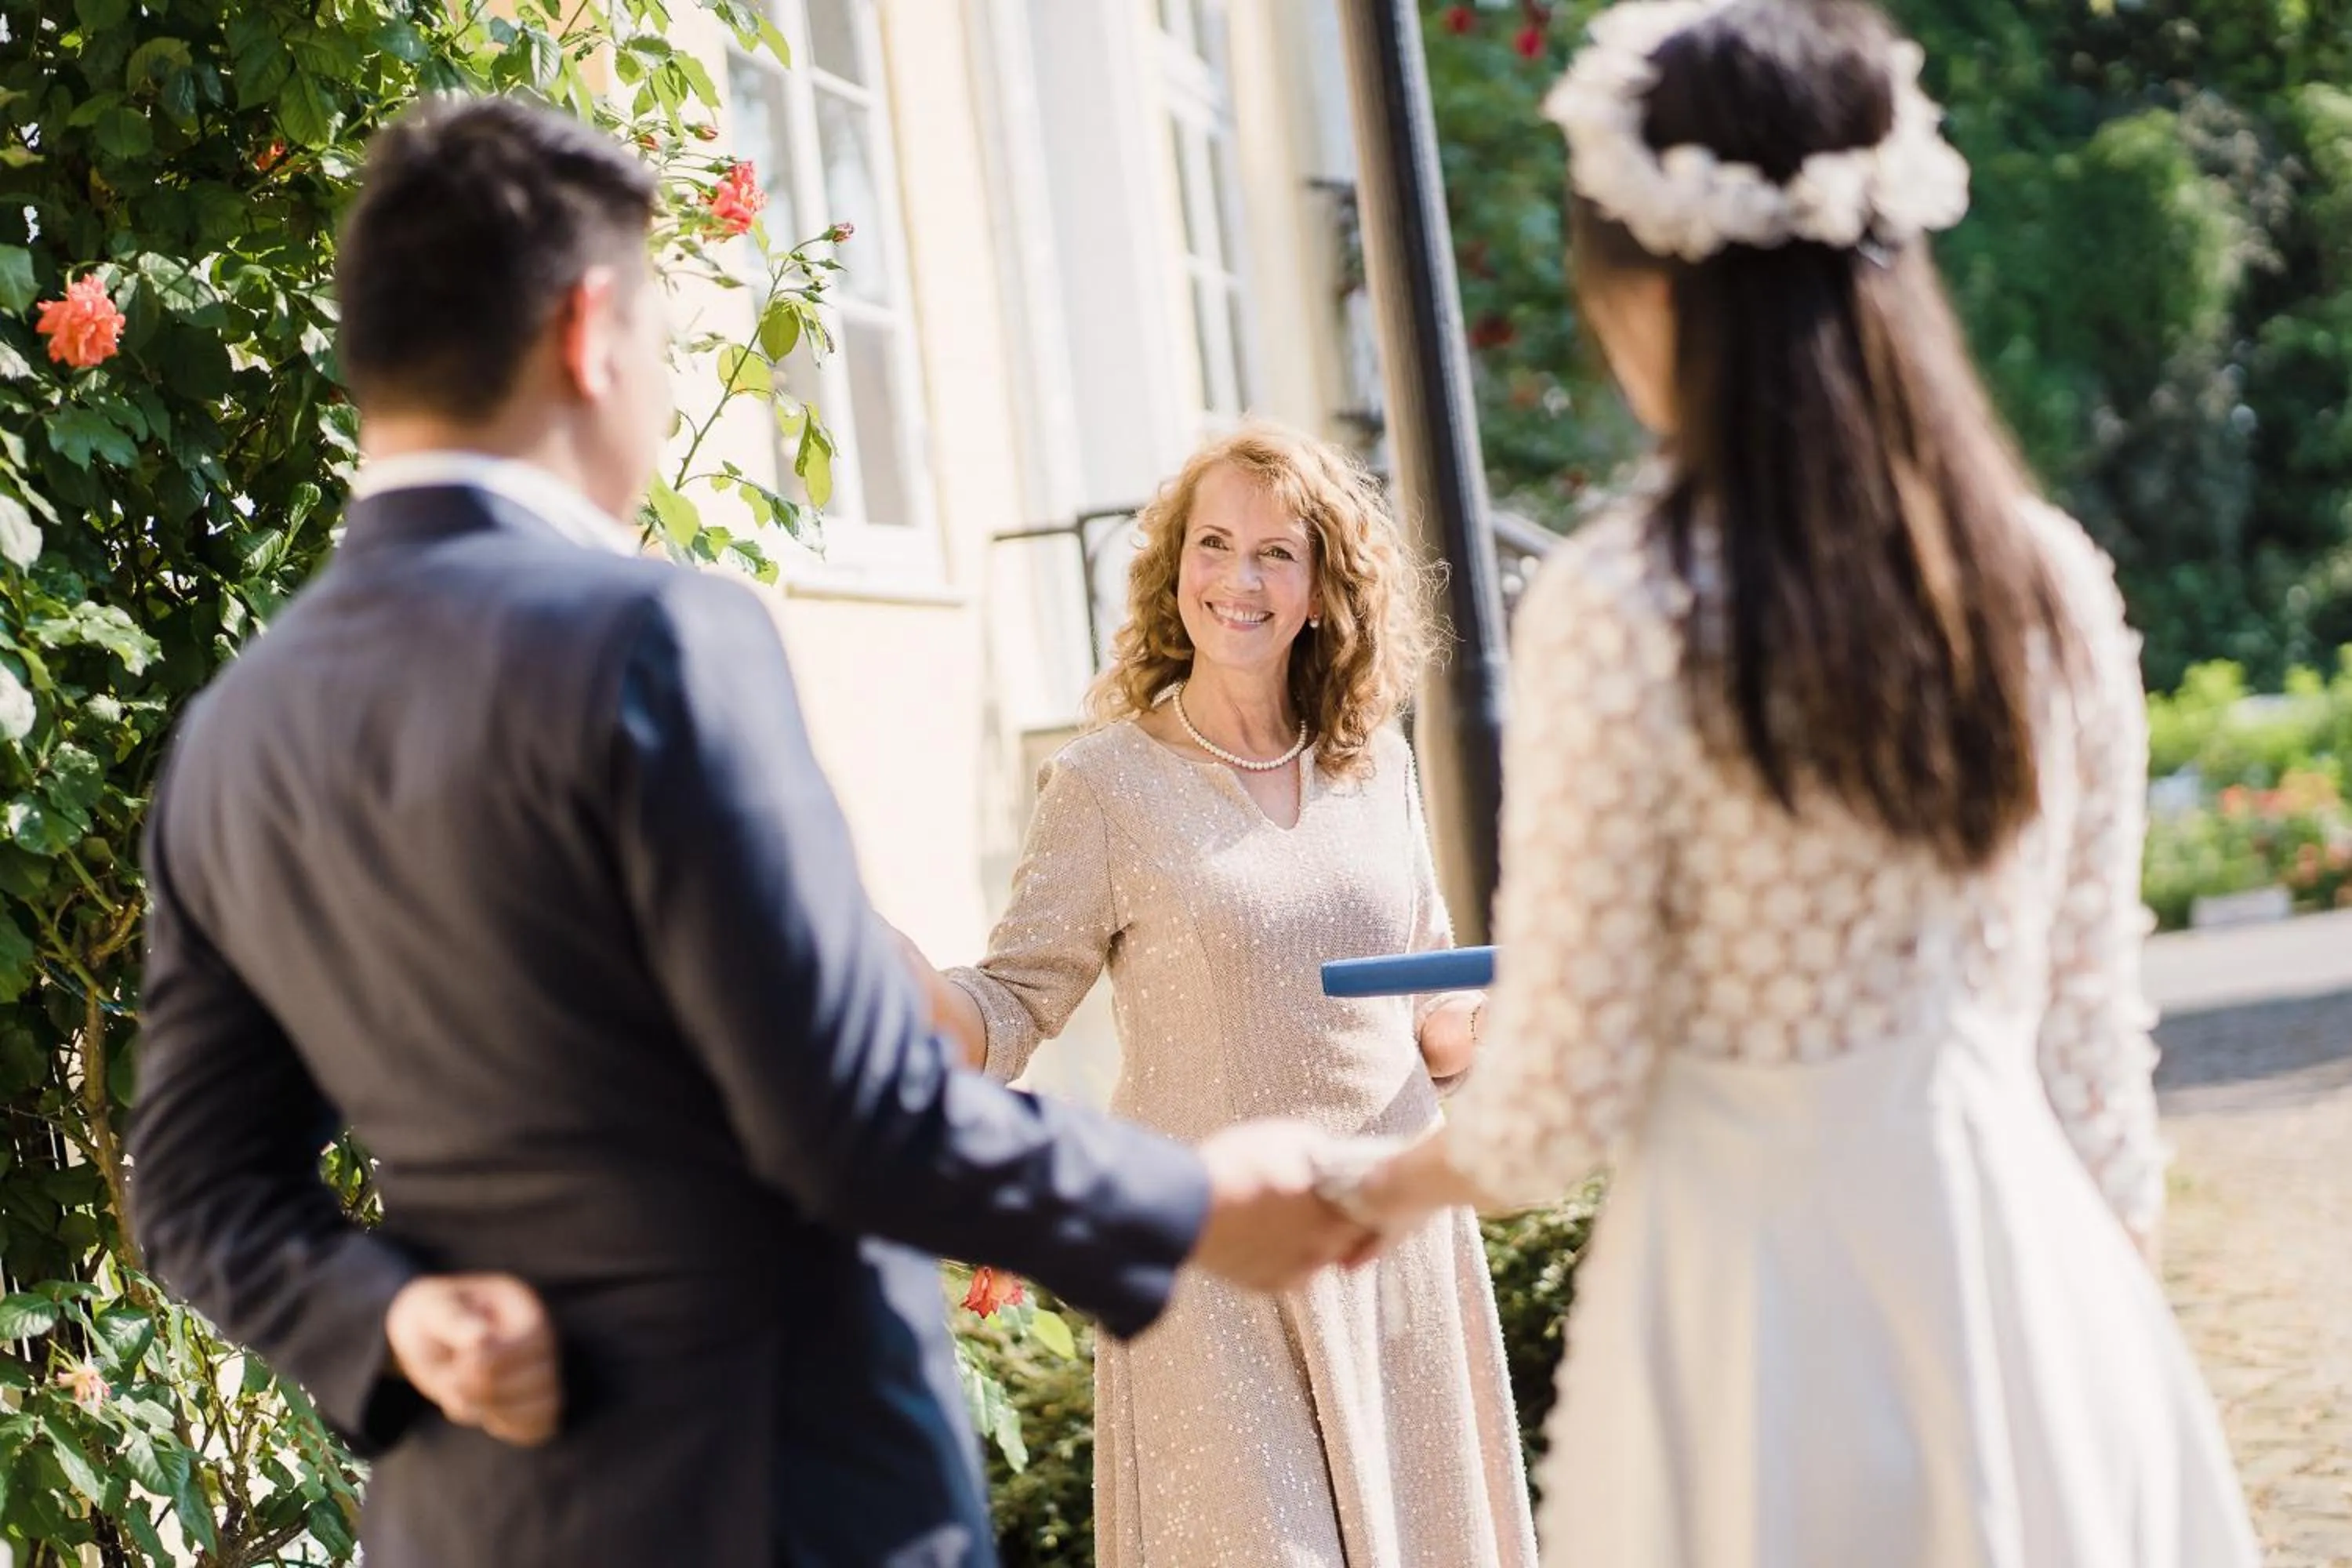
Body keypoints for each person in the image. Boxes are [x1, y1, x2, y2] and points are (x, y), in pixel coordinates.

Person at [125, 96, 1381, 1568]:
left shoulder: (238, 729)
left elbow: (194, 1190)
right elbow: (848, 1111)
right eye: (662, 338)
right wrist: (1186, 1197)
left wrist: (393, 1319)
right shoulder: (654, 644)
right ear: (590, 333)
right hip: (780, 1502)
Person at [1349, 4, 2263, 1565]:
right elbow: (2094, 1046)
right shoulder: (2043, 584)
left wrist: (1358, 1190)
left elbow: (1553, 1099)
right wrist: (2104, 1352)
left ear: (1652, 288)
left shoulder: (1627, 605)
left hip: (1756, 1321)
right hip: (2034, 1283)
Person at [905, 423, 1538, 1567]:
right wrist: (889, 981)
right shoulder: (1104, 784)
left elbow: (1426, 1015)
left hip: (1395, 1251)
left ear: (1322, 592)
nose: (1237, 579)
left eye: (1275, 553)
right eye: (1213, 544)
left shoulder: (1377, 765)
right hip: (1220, 1269)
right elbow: (1011, 1000)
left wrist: (1493, 1026)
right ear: (1174, 567)